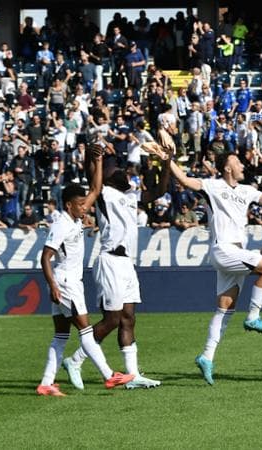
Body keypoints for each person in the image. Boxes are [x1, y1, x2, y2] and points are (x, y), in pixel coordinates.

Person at [164, 145, 262, 385]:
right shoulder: (213, 186)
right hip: (224, 248)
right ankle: (253, 316)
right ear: (227, 167)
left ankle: (206, 357)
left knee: (224, 309)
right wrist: (168, 160)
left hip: (234, 251)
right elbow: (185, 181)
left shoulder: (247, 190)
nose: (241, 165)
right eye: (237, 162)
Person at [61, 140, 171, 390]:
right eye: (115, 169)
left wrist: (166, 162)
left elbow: (160, 191)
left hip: (127, 264)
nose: (120, 170)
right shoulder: (104, 194)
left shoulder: (130, 196)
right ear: (108, 178)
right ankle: (74, 360)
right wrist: (93, 154)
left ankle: (133, 376)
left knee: (128, 319)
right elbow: (93, 175)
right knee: (111, 319)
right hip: (110, 259)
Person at [37, 148, 135, 396]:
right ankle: (109, 375)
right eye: (80, 205)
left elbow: (94, 189)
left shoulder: (75, 217)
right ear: (69, 205)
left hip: (66, 281)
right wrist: (53, 286)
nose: (85, 207)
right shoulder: (61, 224)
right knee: (86, 331)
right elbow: (45, 257)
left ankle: (47, 383)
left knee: (60, 336)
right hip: (67, 281)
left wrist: (99, 161)